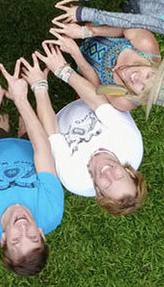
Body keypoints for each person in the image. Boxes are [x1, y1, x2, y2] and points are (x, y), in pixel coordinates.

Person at [0, 67, 64, 277]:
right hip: (29, 149)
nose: (23, 227)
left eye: (16, 239)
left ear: (4, 239)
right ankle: (20, 128)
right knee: (28, 126)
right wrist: (21, 100)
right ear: (42, 234)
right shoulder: (52, 211)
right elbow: (42, 151)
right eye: (32, 237)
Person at [22, 45, 147, 215]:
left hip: (59, 122)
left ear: (99, 192)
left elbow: (52, 133)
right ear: (129, 173)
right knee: (102, 93)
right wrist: (62, 70)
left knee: (38, 141)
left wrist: (39, 86)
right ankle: (84, 53)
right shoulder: (129, 142)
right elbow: (98, 102)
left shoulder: (74, 179)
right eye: (119, 177)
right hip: (93, 99)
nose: (109, 173)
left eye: (107, 185)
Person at [51, 30, 164, 115]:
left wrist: (75, 54)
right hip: (99, 32)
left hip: (86, 66)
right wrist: (85, 31)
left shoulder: (123, 100)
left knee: (86, 96)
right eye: (148, 75)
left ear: (140, 97)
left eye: (143, 88)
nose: (138, 79)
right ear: (154, 68)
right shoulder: (146, 45)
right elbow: (122, 26)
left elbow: (96, 87)